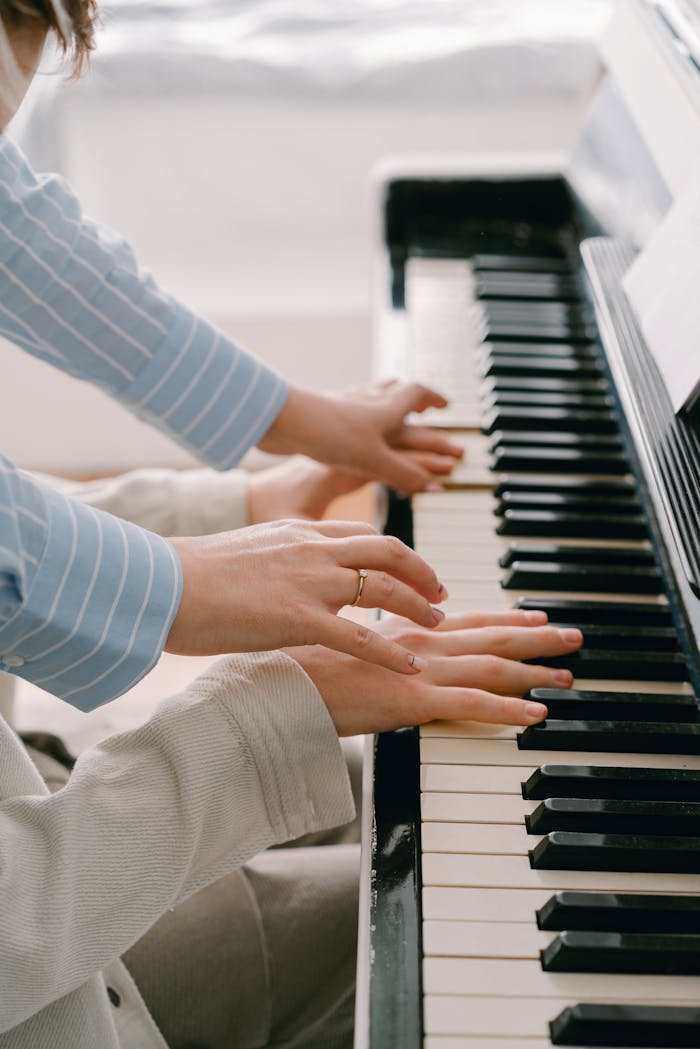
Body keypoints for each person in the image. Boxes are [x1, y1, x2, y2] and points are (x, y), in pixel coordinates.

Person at [0, 5, 585, 1048]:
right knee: (464, 909)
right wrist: (257, 702)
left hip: (35, 790)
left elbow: (31, 244)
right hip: (50, 957)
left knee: (444, 771)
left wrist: (236, 506)